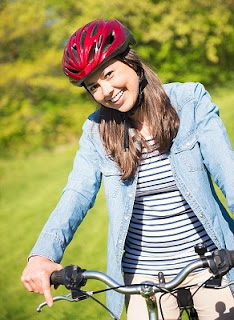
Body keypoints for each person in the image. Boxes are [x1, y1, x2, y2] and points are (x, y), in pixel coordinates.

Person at [21, 19, 234, 320]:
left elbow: (229, 173)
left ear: (131, 63)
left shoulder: (189, 102)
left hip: (211, 265)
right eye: (94, 86)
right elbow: (77, 193)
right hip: (142, 279)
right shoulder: (96, 131)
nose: (106, 91)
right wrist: (43, 255)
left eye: (109, 74)